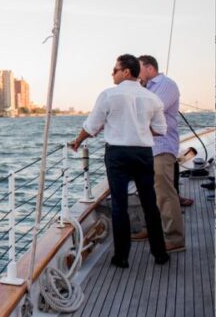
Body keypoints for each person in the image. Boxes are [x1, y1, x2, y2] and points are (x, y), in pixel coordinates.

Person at [69, 54, 169, 268]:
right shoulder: (152, 98)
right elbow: (161, 130)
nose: (111, 74)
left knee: (119, 205)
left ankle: (121, 257)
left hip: (118, 155)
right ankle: (160, 254)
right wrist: (139, 128)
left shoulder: (108, 95)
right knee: (150, 204)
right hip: (143, 154)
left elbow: (91, 126)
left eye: (115, 70)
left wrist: (77, 142)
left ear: (126, 72)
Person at [138, 54, 185, 252]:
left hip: (161, 146)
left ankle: (174, 238)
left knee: (165, 193)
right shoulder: (143, 88)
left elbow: (150, 111)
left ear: (149, 68)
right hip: (145, 147)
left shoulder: (166, 84)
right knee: (148, 192)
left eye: (138, 68)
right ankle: (152, 228)